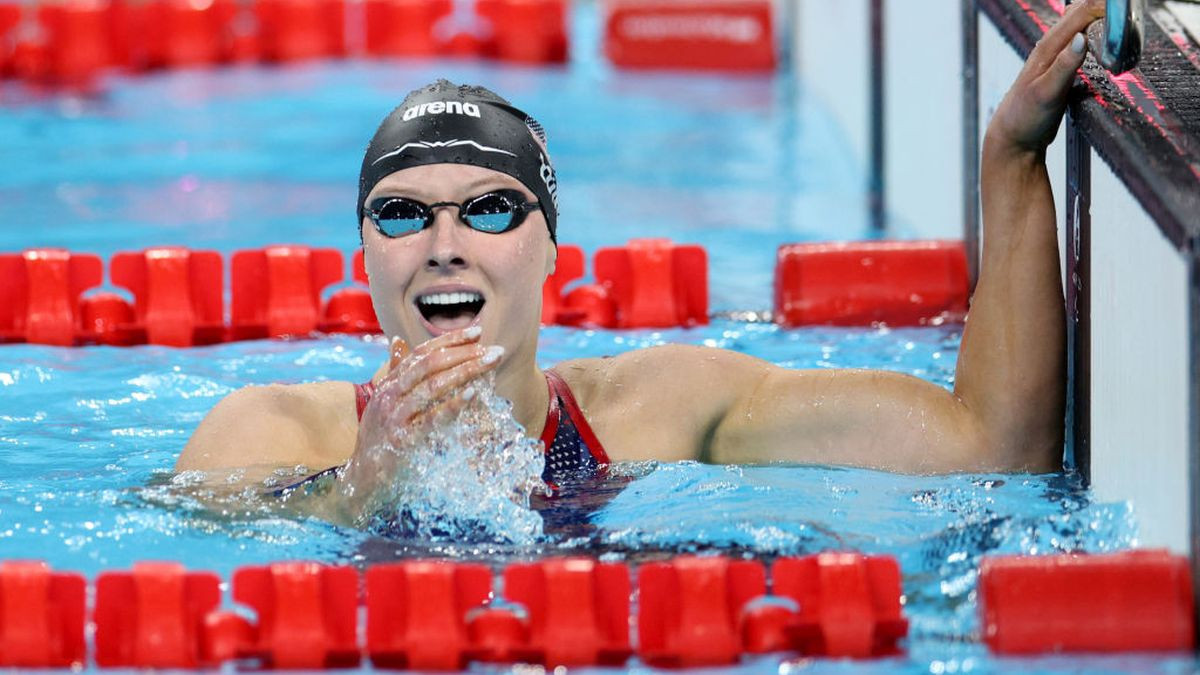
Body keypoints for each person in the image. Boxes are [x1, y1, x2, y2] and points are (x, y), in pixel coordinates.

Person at [177, 0, 1105, 524]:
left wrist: (1012, 160)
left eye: (491, 209)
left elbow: (993, 452)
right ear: (366, 256)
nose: (443, 244)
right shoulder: (265, 441)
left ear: (553, 250)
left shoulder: (669, 412)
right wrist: (358, 492)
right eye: (402, 214)